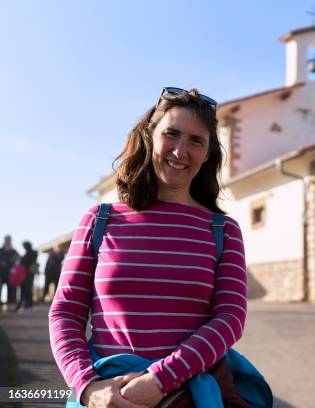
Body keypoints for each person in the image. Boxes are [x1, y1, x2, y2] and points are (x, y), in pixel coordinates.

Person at [49, 88, 248, 408]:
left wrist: (160, 380)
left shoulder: (223, 230)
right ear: (149, 136)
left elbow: (231, 317)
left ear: (208, 153)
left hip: (187, 397)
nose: (181, 151)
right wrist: (87, 387)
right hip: (105, 397)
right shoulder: (99, 220)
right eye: (171, 134)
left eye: (196, 141)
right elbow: (66, 312)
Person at [18, 240, 38, 311]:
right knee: (28, 289)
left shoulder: (29, 254)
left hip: (26, 274)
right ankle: (28, 303)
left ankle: (26, 304)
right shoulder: (34, 253)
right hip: (30, 274)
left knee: (26, 289)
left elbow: (24, 262)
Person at [0, 235, 19, 307]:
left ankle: (10, 303)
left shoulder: (14, 251)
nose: (7, 241)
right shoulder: (1, 250)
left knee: (11, 289)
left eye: (9, 240)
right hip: (1, 273)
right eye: (6, 240)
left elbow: (18, 261)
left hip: (11, 274)